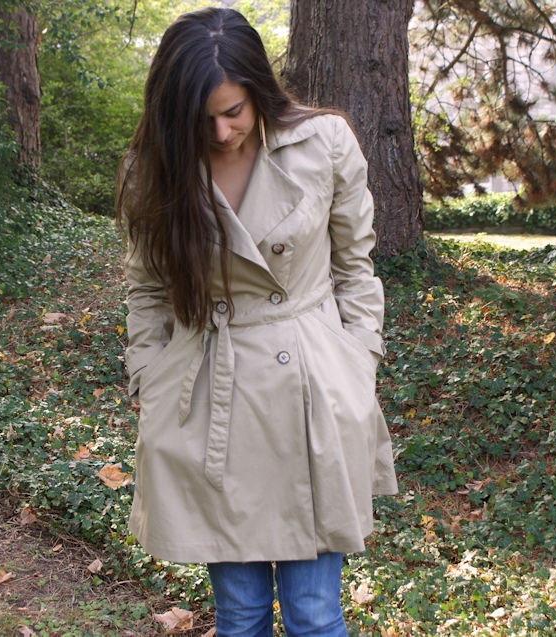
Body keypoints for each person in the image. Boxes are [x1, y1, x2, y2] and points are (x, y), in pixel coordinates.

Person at [115, 7, 398, 637]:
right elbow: (147, 290)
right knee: (239, 614)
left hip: (313, 393)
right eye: (203, 118)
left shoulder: (324, 143)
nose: (221, 132)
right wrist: (148, 377)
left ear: (258, 89)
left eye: (234, 111)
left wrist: (359, 362)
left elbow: (356, 267)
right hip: (209, 396)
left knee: (314, 613)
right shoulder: (154, 168)